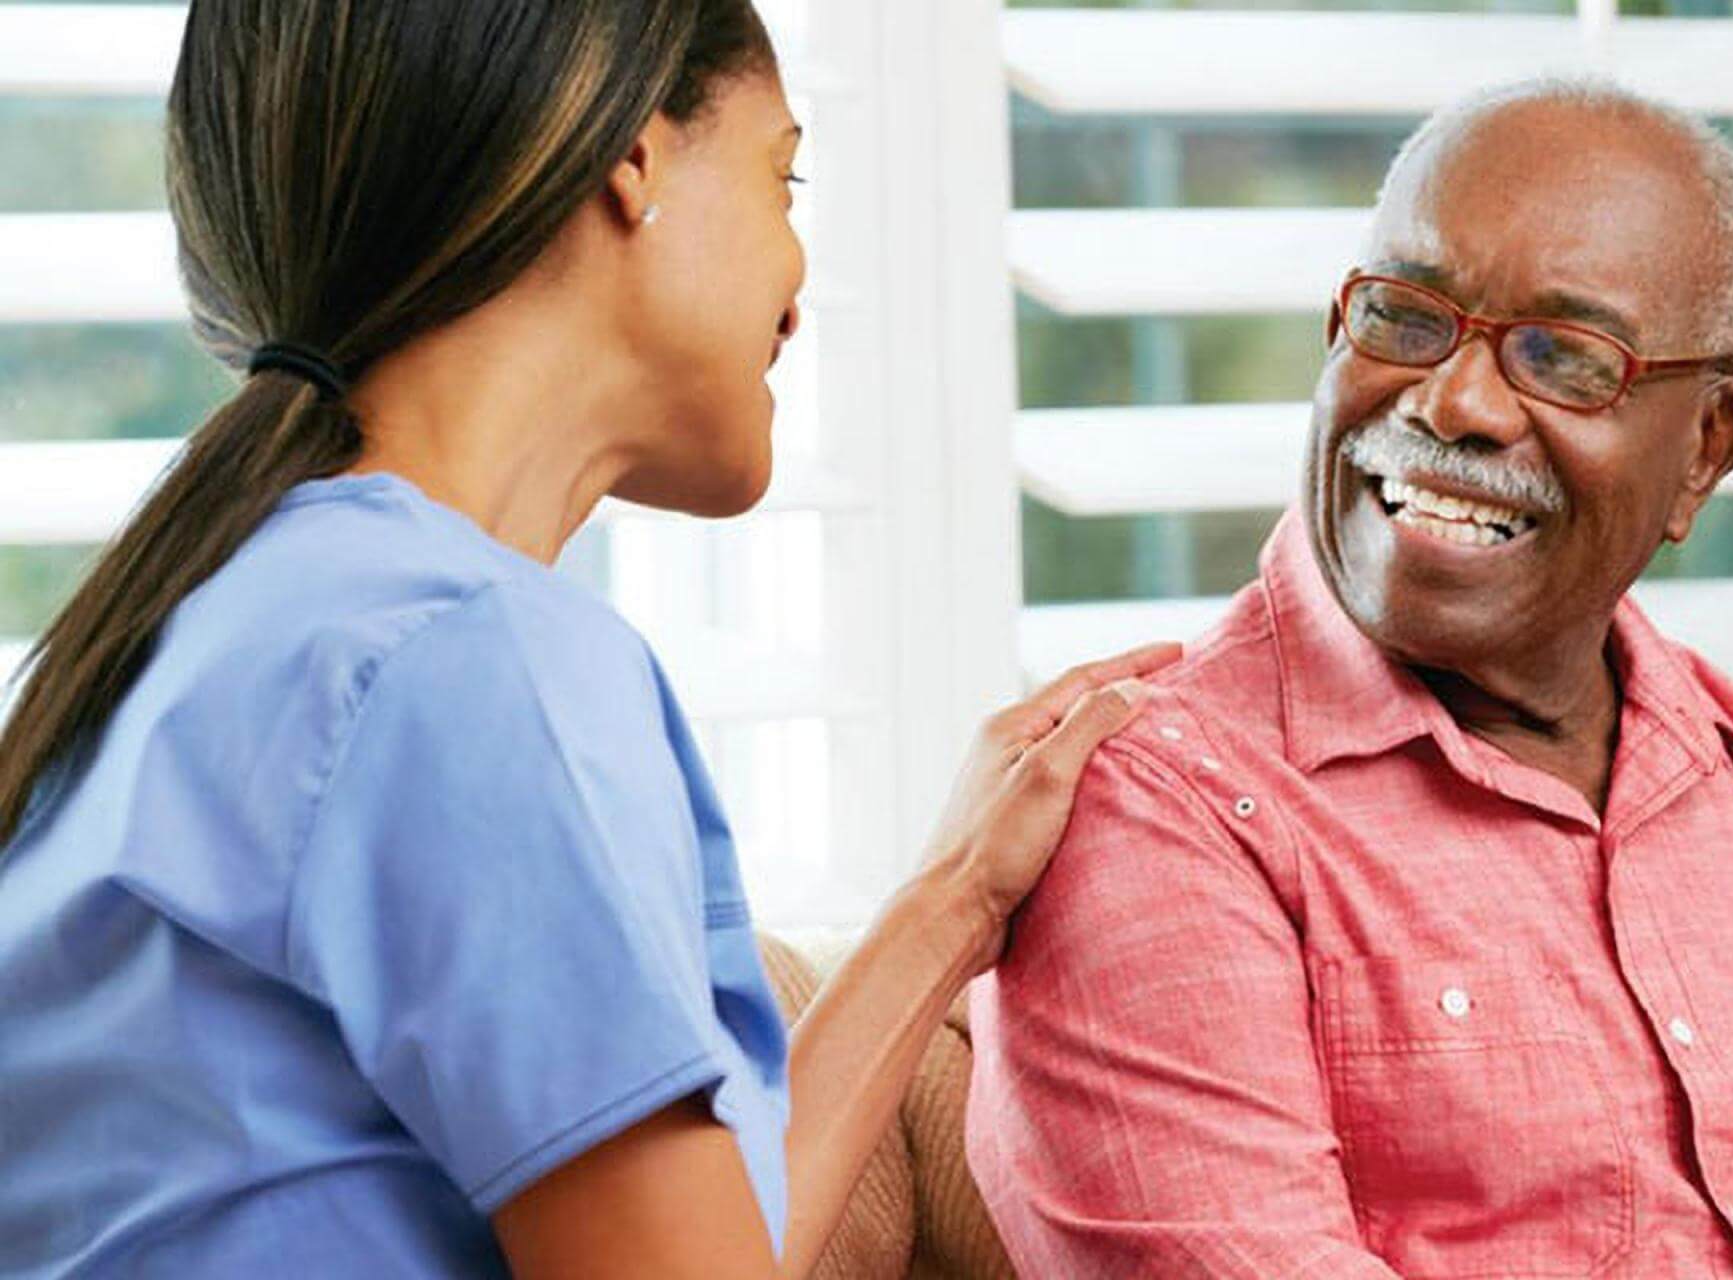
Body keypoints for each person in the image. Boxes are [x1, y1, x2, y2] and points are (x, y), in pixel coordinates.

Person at [0, 3, 1179, 1276]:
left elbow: (699, 1239)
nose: (795, 290)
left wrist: (955, 900)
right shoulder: (470, 659)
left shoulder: (206, 624)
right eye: (783, 176)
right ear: (634, 160)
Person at [968, 79, 1733, 1278]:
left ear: (1708, 450)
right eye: (1408, 318)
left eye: (1565, 358)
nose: (1454, 403)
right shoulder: (1160, 809)